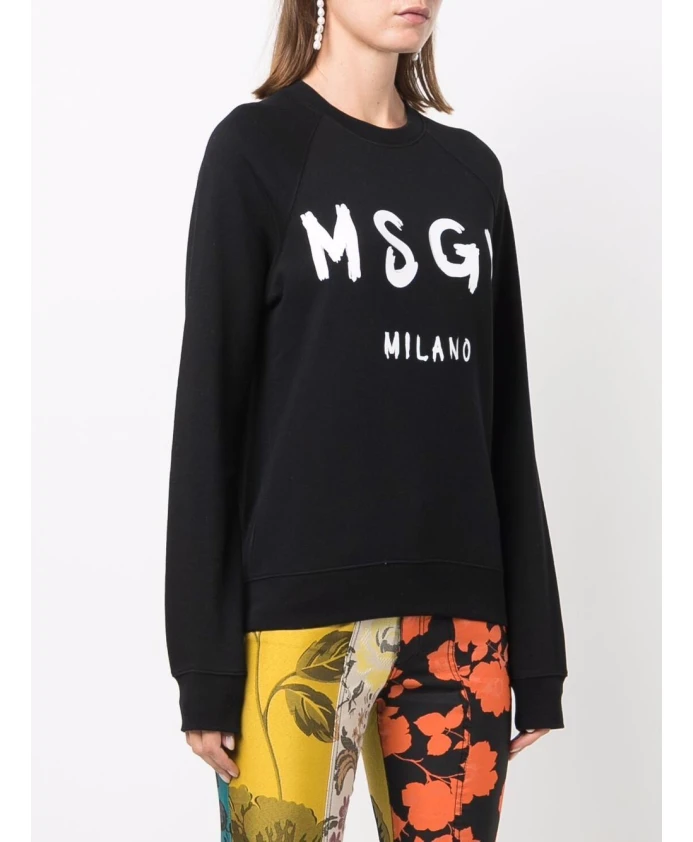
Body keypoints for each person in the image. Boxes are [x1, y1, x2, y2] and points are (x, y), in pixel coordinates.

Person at [165, 1, 568, 840]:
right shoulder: (254, 152)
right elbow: (210, 412)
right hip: (296, 623)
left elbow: (503, 416)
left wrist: (537, 651)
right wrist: (203, 664)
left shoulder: (469, 173)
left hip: (462, 627)